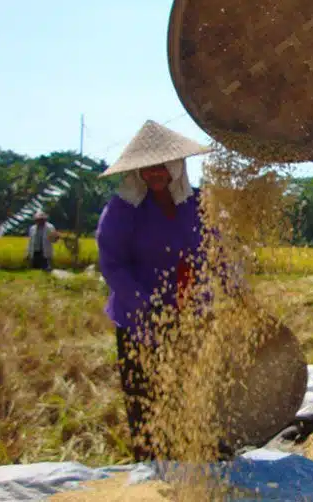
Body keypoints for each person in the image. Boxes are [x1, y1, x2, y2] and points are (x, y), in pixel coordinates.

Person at [95, 119, 221, 462]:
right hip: (139, 320)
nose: (155, 173)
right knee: (144, 396)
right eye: (147, 167)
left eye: (162, 165)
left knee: (188, 390)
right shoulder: (123, 209)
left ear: (176, 166)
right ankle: (151, 467)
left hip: (189, 314)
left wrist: (225, 286)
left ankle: (191, 458)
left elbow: (216, 252)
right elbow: (113, 264)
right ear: (137, 171)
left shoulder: (195, 203)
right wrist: (145, 305)